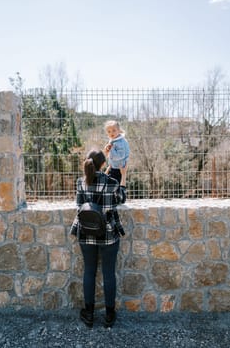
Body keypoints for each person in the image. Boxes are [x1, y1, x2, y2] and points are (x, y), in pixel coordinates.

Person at [70, 149, 127, 329]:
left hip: (86, 232)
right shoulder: (111, 182)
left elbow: (79, 205)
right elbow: (121, 199)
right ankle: (109, 316)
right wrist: (123, 177)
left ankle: (89, 314)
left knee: (89, 272)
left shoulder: (81, 182)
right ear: (103, 164)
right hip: (108, 234)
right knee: (108, 273)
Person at [104, 120, 130, 184]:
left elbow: (120, 156)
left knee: (116, 187)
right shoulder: (114, 140)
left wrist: (111, 149)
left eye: (114, 130)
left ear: (119, 130)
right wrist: (107, 150)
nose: (111, 133)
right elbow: (111, 154)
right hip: (114, 167)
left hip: (119, 168)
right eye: (109, 131)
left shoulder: (120, 142)